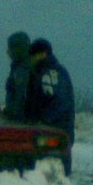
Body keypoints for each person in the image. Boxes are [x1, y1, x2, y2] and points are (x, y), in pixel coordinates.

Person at [26, 37, 75, 171]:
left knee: (54, 172)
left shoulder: (51, 73)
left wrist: (42, 121)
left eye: (33, 55)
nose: (31, 59)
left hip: (54, 133)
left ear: (43, 54)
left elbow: (60, 102)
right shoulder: (46, 72)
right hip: (54, 132)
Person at [3, 31, 31, 120]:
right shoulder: (18, 69)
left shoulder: (24, 71)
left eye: (11, 48)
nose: (8, 52)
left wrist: (11, 114)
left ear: (19, 49)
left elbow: (20, 99)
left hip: (20, 122)